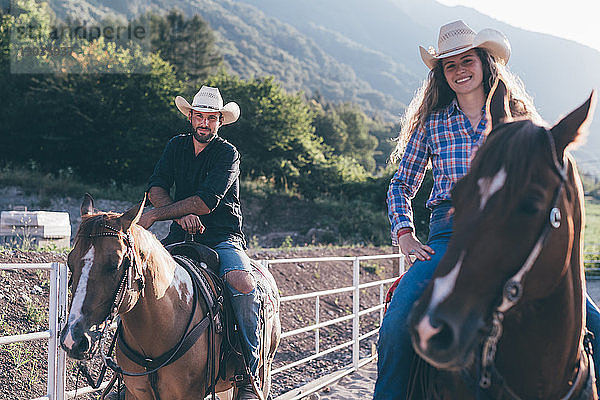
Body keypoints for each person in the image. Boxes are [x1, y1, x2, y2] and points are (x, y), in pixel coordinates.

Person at [373, 20, 600, 399]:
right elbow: (401, 184)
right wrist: (405, 233)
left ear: (485, 64)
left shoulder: (522, 123)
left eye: (467, 61)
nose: (460, 70)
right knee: (399, 320)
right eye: (450, 65)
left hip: (513, 233)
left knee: (591, 321)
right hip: (450, 234)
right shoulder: (433, 125)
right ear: (443, 76)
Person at [137, 85, 261, 400]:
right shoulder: (175, 146)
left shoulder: (227, 153)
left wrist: (154, 217)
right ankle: (125, 373)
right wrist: (176, 217)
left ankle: (247, 373)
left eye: (211, 118)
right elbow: (156, 186)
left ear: (220, 121)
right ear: (191, 116)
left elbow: (206, 203)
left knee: (243, 285)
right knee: (138, 280)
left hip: (221, 236)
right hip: (182, 234)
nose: (204, 123)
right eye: (199, 116)